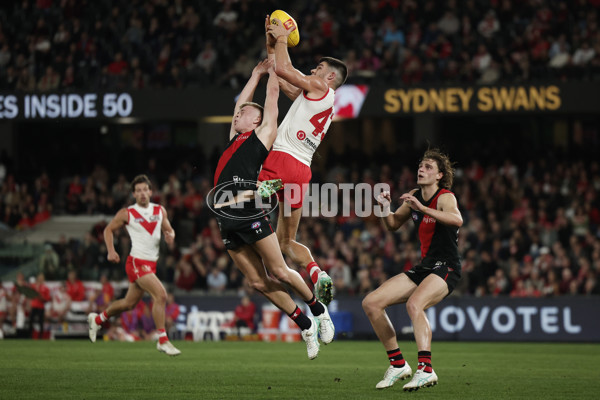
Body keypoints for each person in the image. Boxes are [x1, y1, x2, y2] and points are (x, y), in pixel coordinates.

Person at [210, 59, 333, 359]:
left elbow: (273, 99)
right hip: (226, 219)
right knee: (256, 281)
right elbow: (242, 101)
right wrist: (254, 74)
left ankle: (318, 310)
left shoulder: (262, 136)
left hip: (249, 212)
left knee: (278, 270)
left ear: (256, 122)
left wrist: (273, 70)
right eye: (237, 113)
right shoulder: (232, 139)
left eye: (244, 114)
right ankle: (304, 325)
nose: (238, 114)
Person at [261, 17, 348, 305]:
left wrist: (284, 35)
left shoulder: (319, 86)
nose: (314, 70)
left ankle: (260, 266)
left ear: (330, 76)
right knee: (287, 241)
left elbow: (286, 69)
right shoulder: (319, 97)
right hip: (302, 172)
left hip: (283, 160)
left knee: (243, 200)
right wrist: (271, 43)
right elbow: (282, 76)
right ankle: (316, 271)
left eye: (319, 68)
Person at [362, 149, 463, 391]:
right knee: (371, 303)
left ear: (439, 175)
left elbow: (457, 220)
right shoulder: (415, 197)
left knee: (414, 305)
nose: (421, 169)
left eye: (428, 167)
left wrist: (421, 207)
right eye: (421, 165)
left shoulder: (444, 196)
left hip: (446, 266)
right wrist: (384, 207)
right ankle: (398, 364)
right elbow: (394, 224)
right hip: (425, 267)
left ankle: (426, 369)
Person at [87, 174, 181, 356]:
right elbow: (108, 230)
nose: (143, 193)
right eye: (138, 191)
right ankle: (163, 340)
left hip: (150, 265)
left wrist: (171, 235)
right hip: (136, 262)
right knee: (161, 295)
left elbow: (169, 229)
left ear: (151, 191)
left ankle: (97, 319)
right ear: (134, 194)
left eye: (145, 189)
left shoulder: (160, 211)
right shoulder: (127, 213)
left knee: (129, 304)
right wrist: (111, 250)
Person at [29, 273, 51, 339]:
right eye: (39, 278)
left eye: (42, 278)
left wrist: (41, 298)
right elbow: (29, 294)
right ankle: (30, 335)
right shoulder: (33, 286)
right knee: (31, 321)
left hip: (41, 306)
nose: (40, 279)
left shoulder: (45, 288)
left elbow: (47, 298)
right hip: (34, 306)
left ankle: (41, 336)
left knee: (41, 322)